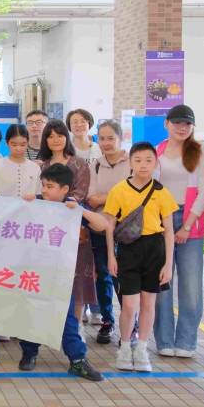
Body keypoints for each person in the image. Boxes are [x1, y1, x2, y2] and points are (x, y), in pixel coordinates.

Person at [15, 164, 107, 382]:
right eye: (43, 185)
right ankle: (29, 352)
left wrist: (80, 210)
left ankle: (77, 359)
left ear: (65, 189)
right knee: (33, 312)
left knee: (67, 318)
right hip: (35, 273)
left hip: (61, 275)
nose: (45, 190)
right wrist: (24, 202)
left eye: (50, 186)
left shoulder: (71, 207)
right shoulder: (34, 202)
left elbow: (102, 225)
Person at [104, 142, 178, 372]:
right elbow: (109, 225)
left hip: (155, 250)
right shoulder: (118, 190)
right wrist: (111, 256)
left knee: (148, 303)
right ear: (130, 163)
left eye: (148, 160)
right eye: (138, 160)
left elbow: (169, 231)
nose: (143, 165)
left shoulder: (161, 192)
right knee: (129, 305)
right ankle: (125, 348)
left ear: (156, 163)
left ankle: (142, 350)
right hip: (128, 250)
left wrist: (168, 264)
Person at [153, 105, 204, 359]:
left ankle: (186, 342)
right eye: (177, 122)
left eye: (187, 124)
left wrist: (186, 226)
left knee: (191, 286)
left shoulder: (199, 154)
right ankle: (164, 340)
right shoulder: (157, 152)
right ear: (166, 123)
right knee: (161, 283)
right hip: (160, 220)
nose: (182, 127)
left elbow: (203, 193)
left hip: (190, 222)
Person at [39, 120, 95, 321]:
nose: (55, 140)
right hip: (48, 231)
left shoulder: (79, 163)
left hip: (75, 228)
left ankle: (76, 325)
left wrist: (61, 204)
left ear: (67, 137)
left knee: (77, 279)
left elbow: (81, 193)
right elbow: (40, 195)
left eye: (60, 135)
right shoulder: (43, 165)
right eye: (50, 136)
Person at [86, 120, 132, 344]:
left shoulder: (132, 162)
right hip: (100, 228)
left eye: (110, 138)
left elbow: (134, 196)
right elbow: (91, 198)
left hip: (127, 231)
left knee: (124, 278)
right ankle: (107, 321)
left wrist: (106, 197)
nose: (106, 143)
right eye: (102, 138)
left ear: (120, 139)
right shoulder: (95, 165)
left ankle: (130, 325)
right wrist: (116, 196)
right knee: (102, 275)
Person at [0, 125, 40, 199]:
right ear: (7, 143)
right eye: (14, 145)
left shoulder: (35, 168)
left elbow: (39, 195)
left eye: (23, 145)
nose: (19, 149)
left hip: (29, 206)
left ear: (28, 142)